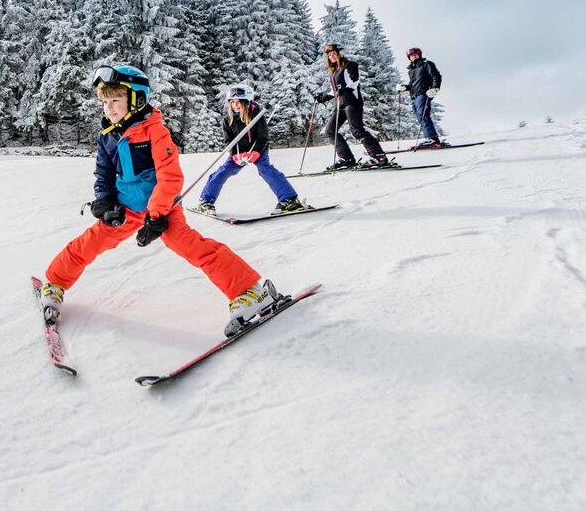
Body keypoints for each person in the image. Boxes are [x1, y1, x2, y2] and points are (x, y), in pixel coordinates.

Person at [39, 64, 279, 338]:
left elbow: (170, 175)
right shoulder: (107, 135)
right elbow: (103, 171)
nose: (109, 108)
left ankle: (249, 292)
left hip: (162, 209)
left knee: (192, 246)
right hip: (126, 207)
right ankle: (55, 283)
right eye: (104, 101)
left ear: (137, 99)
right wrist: (104, 202)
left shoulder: (154, 131)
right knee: (89, 243)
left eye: (116, 100)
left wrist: (157, 215)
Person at [195, 84, 304, 215]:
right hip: (239, 152)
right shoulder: (227, 120)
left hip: (258, 148)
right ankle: (206, 201)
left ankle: (289, 199)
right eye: (232, 102)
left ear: (247, 102)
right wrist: (235, 155)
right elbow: (229, 141)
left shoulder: (257, 115)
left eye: (239, 102)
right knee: (223, 171)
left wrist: (256, 152)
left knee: (265, 169)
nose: (235, 105)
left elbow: (263, 137)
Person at [314, 43, 389, 170]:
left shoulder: (350, 65)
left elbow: (354, 81)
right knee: (330, 131)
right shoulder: (335, 72)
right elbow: (335, 91)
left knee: (357, 130)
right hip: (341, 104)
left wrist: (345, 90)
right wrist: (323, 97)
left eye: (333, 54)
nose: (331, 56)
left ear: (338, 54)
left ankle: (379, 156)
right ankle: (346, 159)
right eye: (329, 55)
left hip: (352, 102)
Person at [397, 47, 442, 147]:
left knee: (423, 114)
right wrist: (404, 87)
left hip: (424, 93)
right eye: (411, 55)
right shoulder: (412, 70)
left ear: (420, 55)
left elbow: (436, 76)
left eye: (416, 54)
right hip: (414, 95)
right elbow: (413, 85)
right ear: (409, 57)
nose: (414, 56)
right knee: (420, 116)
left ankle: (432, 138)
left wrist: (435, 88)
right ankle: (430, 137)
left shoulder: (426, 64)